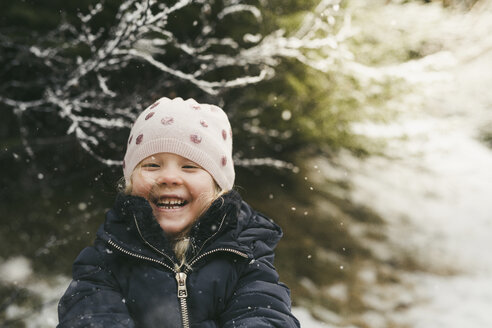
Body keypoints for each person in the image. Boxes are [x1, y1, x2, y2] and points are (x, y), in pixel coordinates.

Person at [57, 97, 300, 328]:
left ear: (218, 187)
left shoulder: (245, 251)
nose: (169, 177)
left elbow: (263, 310)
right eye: (152, 165)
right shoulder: (108, 255)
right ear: (130, 182)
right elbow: (89, 314)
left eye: (189, 166)